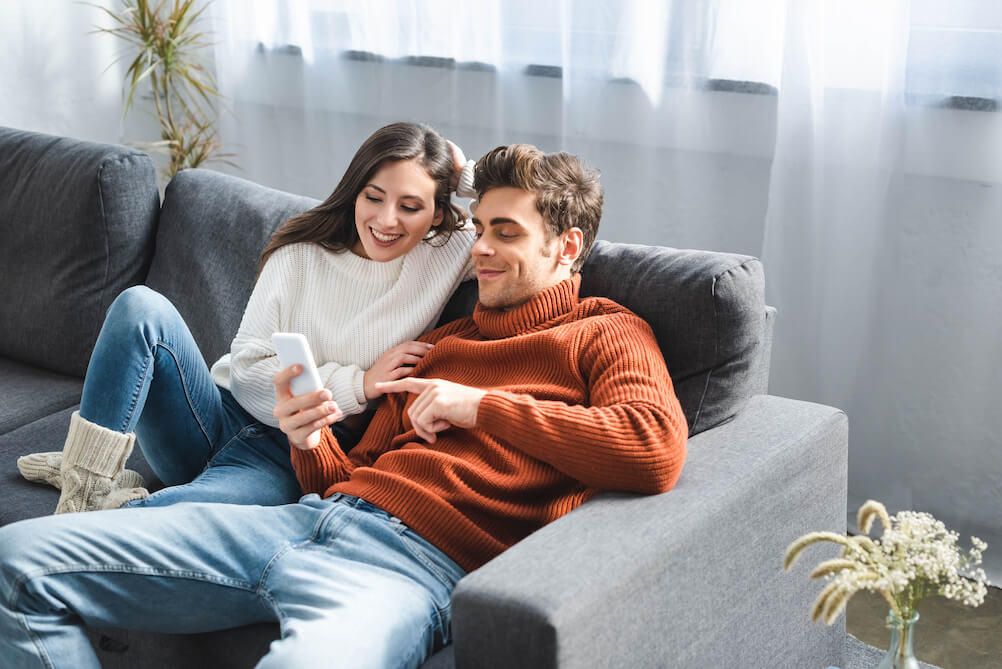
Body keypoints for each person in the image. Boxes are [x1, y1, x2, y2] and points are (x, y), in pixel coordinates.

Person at [0, 143, 688, 669]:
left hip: (412, 573)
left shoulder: (607, 331)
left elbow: (652, 447)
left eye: (505, 232)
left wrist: (478, 408)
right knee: (15, 558)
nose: (479, 248)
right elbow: (342, 476)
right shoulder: (441, 346)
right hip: (302, 521)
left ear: (568, 247)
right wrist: (307, 437)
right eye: (478, 227)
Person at [15, 121, 478, 513]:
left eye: (411, 206)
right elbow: (250, 372)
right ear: (355, 192)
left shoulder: (449, 252)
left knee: (183, 518)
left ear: (438, 214)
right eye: (373, 197)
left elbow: (539, 214)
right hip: (213, 416)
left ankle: (99, 478)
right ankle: (86, 487)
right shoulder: (300, 254)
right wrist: (359, 384)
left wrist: (467, 175)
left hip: (289, 453)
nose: (387, 219)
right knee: (140, 305)